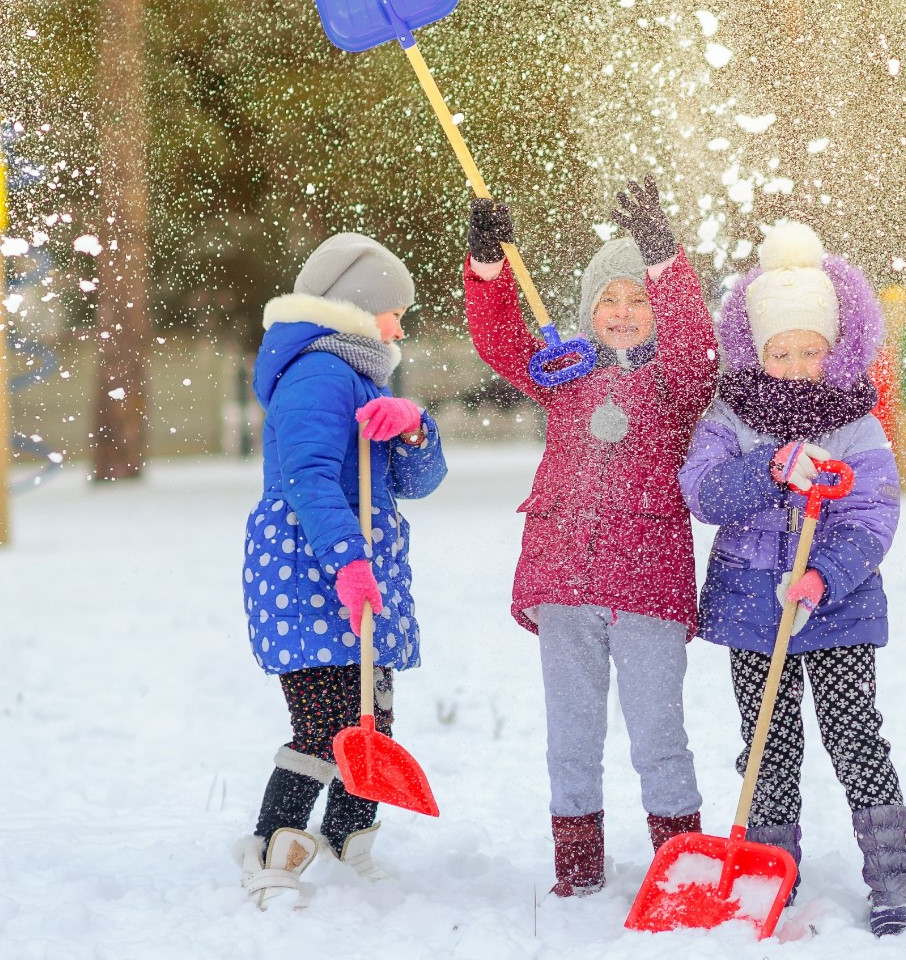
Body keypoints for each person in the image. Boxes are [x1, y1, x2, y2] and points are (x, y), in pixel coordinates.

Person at [463, 178, 717, 897]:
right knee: (570, 737)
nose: (624, 311)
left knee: (658, 738)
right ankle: (576, 871)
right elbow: (500, 341)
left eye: (638, 299)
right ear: (586, 311)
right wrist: (488, 268)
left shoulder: (677, 383)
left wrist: (666, 260)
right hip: (564, 581)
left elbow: (698, 346)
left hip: (647, 585)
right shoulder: (563, 374)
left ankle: (685, 867)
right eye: (610, 298)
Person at [678, 221, 906, 936]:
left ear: (835, 347)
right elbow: (703, 493)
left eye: (809, 350)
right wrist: (770, 467)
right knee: (766, 744)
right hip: (753, 611)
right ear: (756, 348)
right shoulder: (730, 415)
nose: (793, 364)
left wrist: (823, 576)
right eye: (779, 350)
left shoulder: (856, 426)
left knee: (854, 736)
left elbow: (874, 514)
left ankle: (891, 879)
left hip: (836, 611)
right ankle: (769, 872)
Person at [238, 231, 447, 909]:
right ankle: (272, 842)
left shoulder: (362, 373)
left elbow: (419, 481)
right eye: (395, 309)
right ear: (360, 306)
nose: (402, 324)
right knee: (326, 722)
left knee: (369, 716)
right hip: (309, 571)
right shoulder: (317, 372)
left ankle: (348, 837)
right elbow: (307, 478)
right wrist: (348, 560)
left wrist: (415, 427)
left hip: (357, 568)